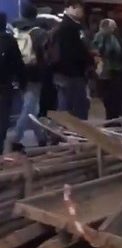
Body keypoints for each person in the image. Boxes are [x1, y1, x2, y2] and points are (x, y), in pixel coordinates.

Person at [11, 2, 48, 148]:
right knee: (29, 108)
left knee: (32, 107)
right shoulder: (39, 32)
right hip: (34, 73)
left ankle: (41, 138)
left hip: (19, 73)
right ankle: (16, 138)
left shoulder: (15, 30)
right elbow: (45, 55)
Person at [51, 0, 91, 119]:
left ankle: (62, 128)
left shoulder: (65, 26)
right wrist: (88, 60)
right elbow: (74, 51)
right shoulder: (68, 27)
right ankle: (71, 129)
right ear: (68, 8)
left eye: (80, 8)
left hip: (63, 72)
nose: (80, 11)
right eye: (76, 7)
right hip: (71, 73)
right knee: (75, 106)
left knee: (66, 104)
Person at [0, 12, 26, 152]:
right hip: (4, 85)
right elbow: (18, 64)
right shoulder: (9, 40)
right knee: (2, 118)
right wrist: (23, 83)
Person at [92, 19, 122, 121]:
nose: (114, 29)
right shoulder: (104, 37)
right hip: (109, 71)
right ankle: (112, 118)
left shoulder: (111, 37)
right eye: (113, 27)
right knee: (110, 98)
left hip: (110, 71)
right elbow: (100, 51)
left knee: (112, 98)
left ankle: (112, 118)